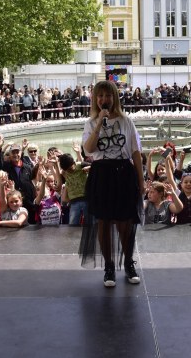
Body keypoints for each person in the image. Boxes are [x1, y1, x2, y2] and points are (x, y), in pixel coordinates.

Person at [80, 80, 144, 288]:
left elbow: (135, 153)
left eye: (108, 96)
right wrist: (99, 122)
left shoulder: (127, 121)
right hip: (101, 175)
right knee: (104, 223)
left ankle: (128, 263)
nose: (104, 100)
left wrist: (141, 182)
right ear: (95, 99)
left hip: (124, 174)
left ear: (114, 97)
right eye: (100, 96)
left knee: (125, 223)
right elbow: (88, 150)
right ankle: (108, 267)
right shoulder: (90, 123)